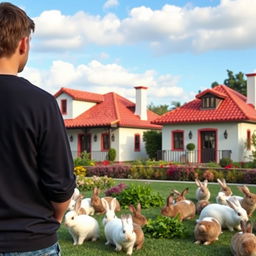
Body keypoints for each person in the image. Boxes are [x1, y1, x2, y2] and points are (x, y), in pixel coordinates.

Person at [0, 2, 76, 255]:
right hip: (29, 239)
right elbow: (60, 183)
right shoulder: (41, 104)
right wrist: (56, 217)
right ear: (23, 44)